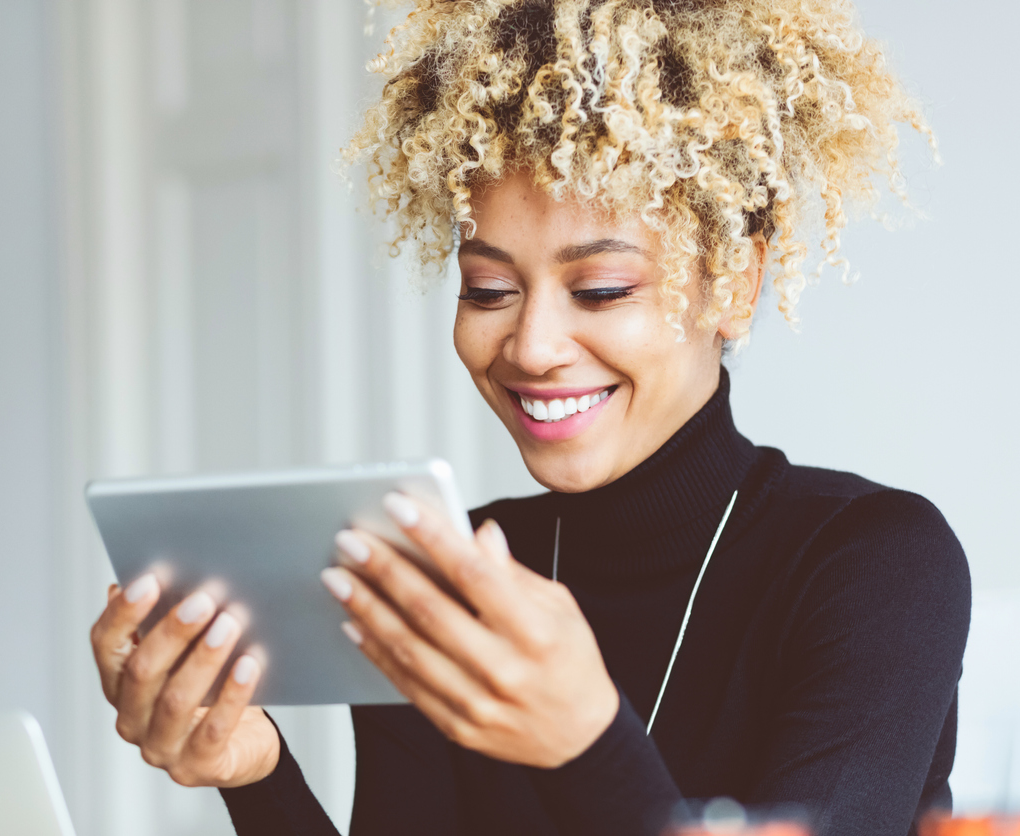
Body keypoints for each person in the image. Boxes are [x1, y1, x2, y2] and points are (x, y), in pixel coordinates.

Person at [88, 1, 970, 834]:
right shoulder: (450, 581)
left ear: (733, 283)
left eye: (600, 289)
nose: (534, 344)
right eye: (490, 290)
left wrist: (587, 744)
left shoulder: (876, 564)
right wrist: (257, 775)